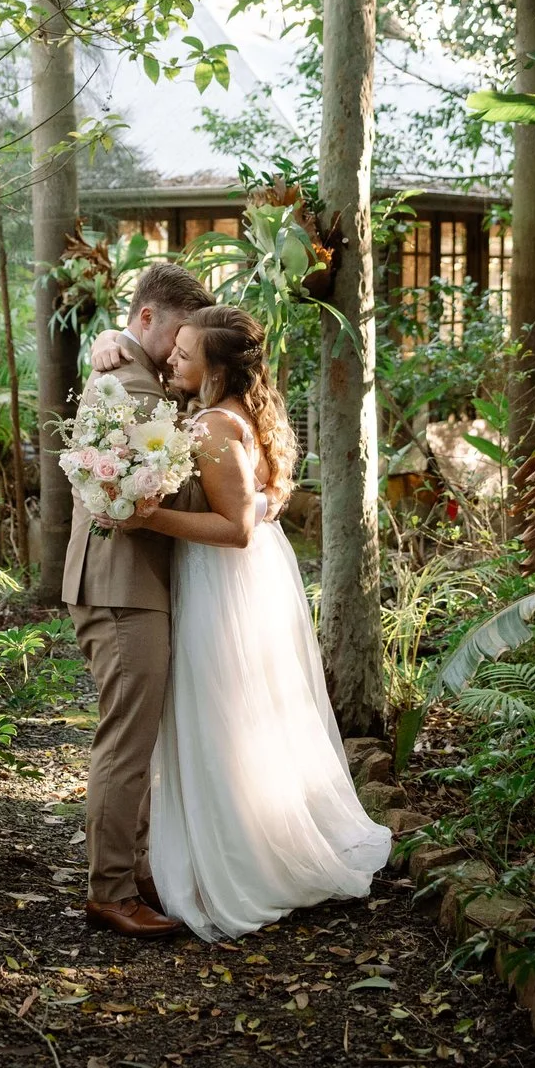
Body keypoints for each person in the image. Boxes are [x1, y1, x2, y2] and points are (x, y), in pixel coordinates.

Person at [128, 304, 392, 940]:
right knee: (251, 714)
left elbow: (237, 528)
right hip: (255, 582)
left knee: (219, 717)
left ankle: (240, 865)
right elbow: (274, 493)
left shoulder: (216, 426)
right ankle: (262, 842)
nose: (172, 360)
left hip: (224, 582)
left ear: (216, 369)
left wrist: (149, 519)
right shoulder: (246, 413)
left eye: (185, 354)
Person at [64, 260, 215, 938]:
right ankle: (110, 888)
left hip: (127, 584)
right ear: (146, 318)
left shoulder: (131, 373)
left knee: (138, 736)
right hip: (121, 586)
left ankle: (135, 869)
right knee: (126, 741)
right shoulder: (131, 385)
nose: (185, 353)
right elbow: (164, 493)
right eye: (179, 336)